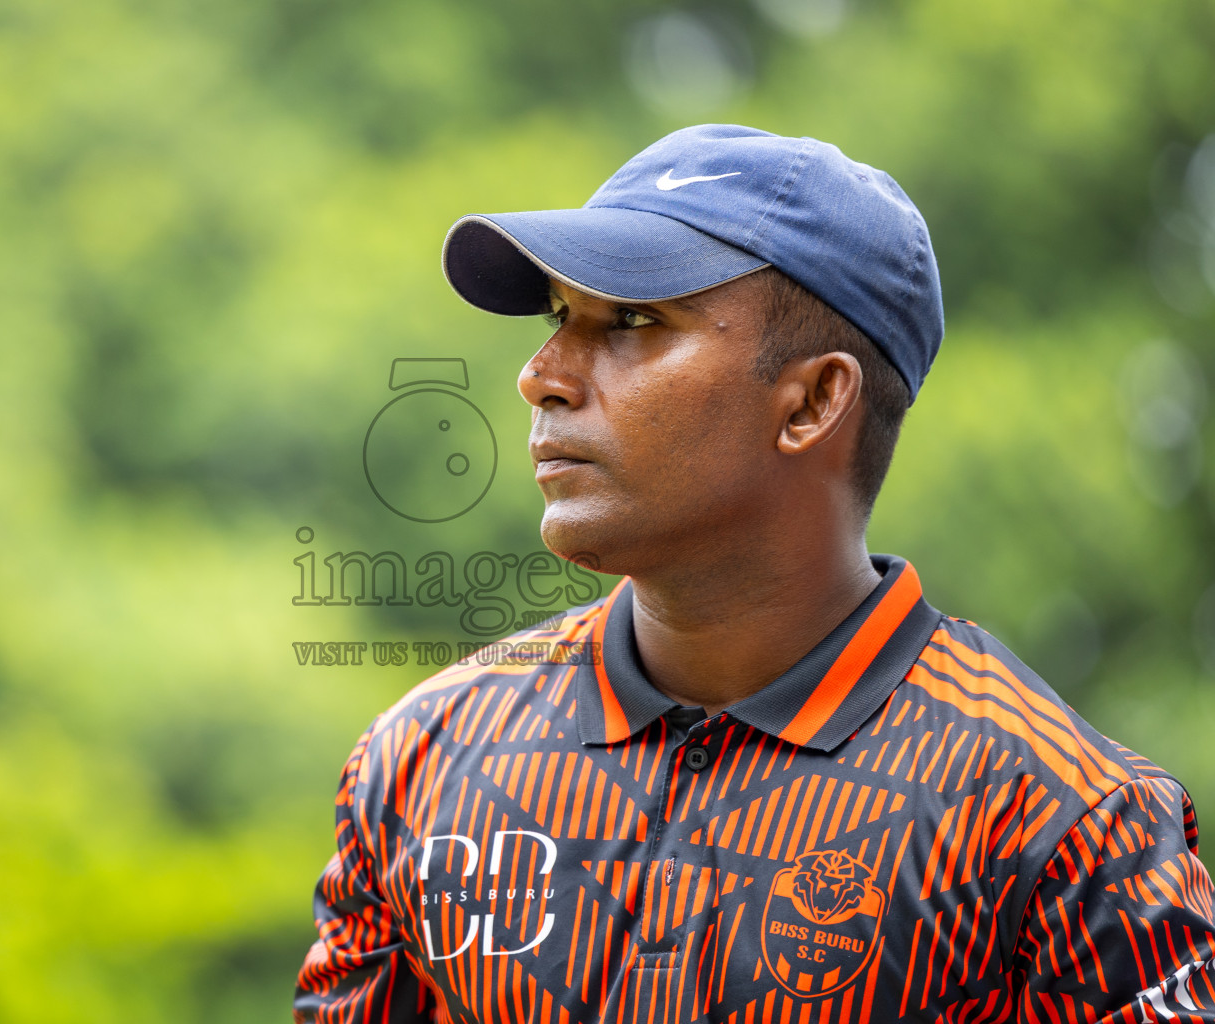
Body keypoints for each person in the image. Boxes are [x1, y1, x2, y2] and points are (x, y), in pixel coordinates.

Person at [293, 125, 1215, 1023]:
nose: (543, 375)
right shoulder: (420, 762)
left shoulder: (1070, 827)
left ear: (813, 401)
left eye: (633, 320)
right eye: (559, 319)